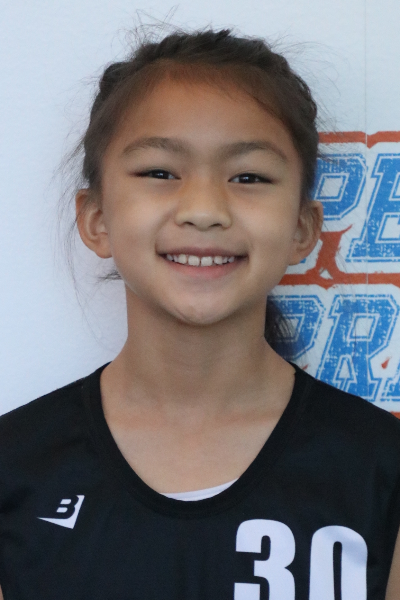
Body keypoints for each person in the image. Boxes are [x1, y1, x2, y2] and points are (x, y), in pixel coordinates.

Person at [0, 27, 399, 600]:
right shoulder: (15, 465)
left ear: (302, 229)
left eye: (249, 177)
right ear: (96, 219)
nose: (205, 210)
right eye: (160, 172)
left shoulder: (379, 468)